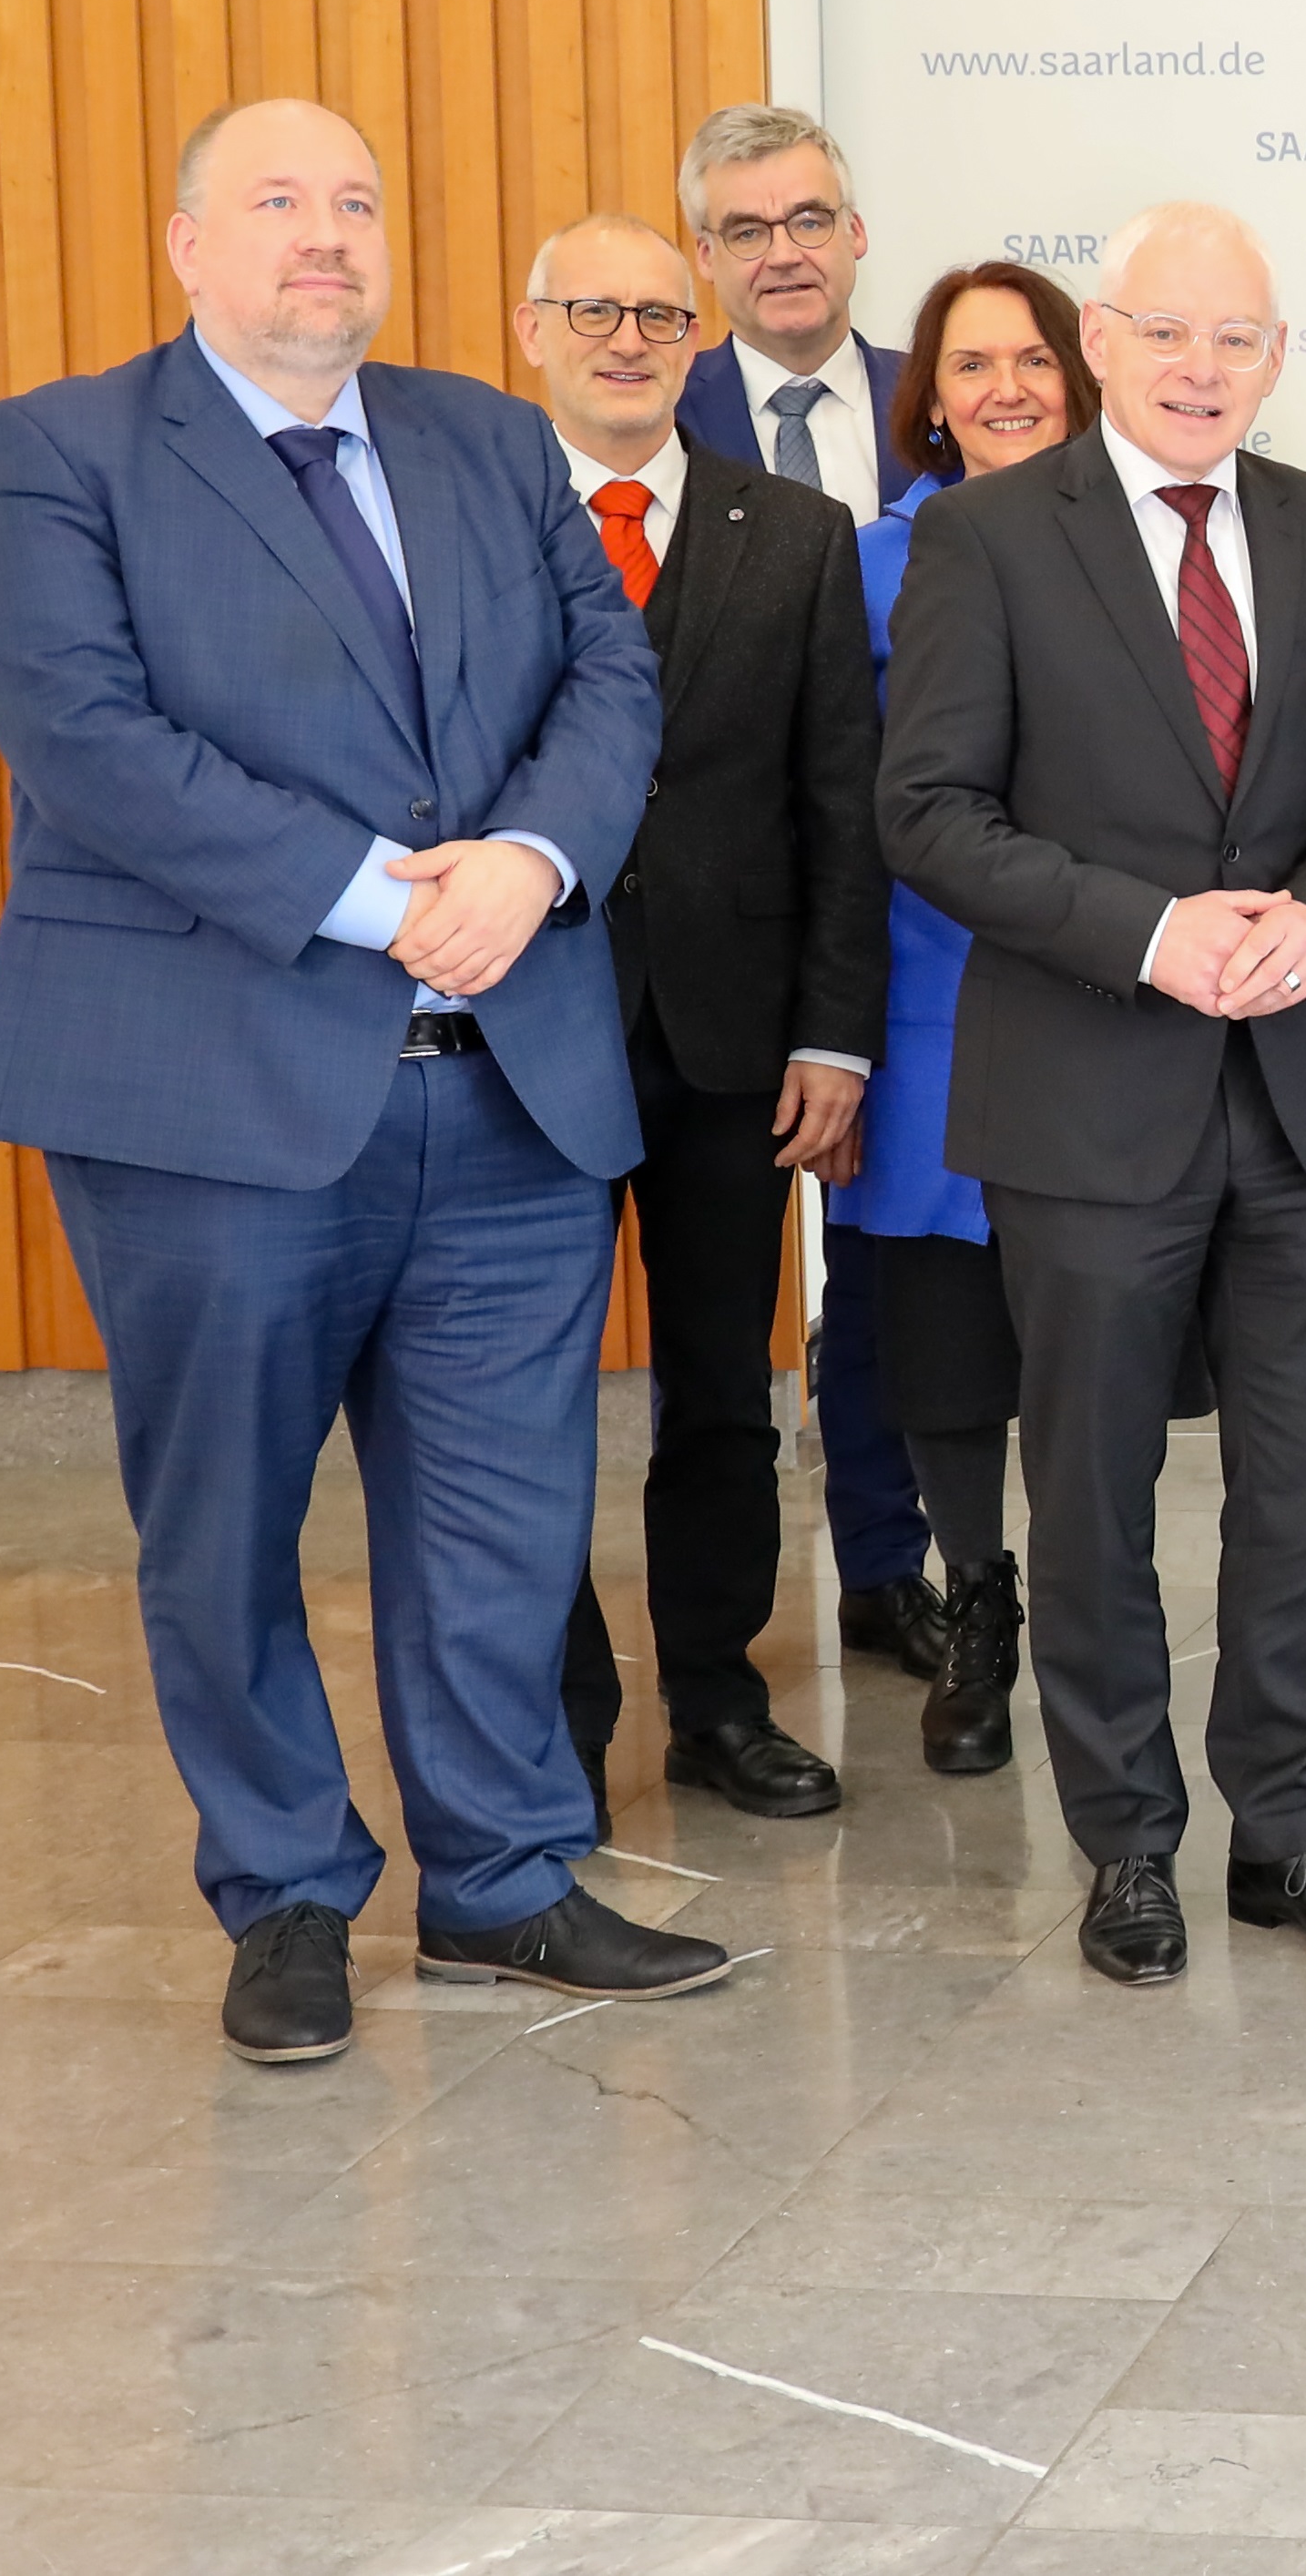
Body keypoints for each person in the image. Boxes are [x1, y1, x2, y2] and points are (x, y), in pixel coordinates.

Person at [0, 97, 732, 2063]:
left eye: (360, 202)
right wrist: (392, 894)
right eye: (281, 203)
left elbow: (604, 679)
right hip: (211, 1097)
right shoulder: (61, 452)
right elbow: (85, 733)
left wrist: (533, 862)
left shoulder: (486, 435)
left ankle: (502, 1878)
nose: (328, 235)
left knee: (500, 1516)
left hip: (509, 1089)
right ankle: (288, 1888)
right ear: (186, 243)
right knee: (221, 1524)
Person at [880, 198, 1306, 1987]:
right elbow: (932, 813)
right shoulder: (984, 537)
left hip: (1294, 1087)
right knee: (1094, 1483)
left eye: (1239, 339)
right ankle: (1127, 1843)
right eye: (1167, 333)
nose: (1202, 368)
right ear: (1099, 344)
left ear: (1274, 361)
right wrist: (1149, 936)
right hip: (1083, 1089)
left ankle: (1290, 1832)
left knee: (1301, 1491)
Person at [515, 216, 888, 1831]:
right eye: (590, 309)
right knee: (515, 1394)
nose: (625, 336)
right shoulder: (476, 518)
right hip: (521, 1031)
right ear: (532, 330)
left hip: (735, 1043)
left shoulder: (791, 532)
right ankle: (555, 1712)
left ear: (699, 332)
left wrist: (836, 1035)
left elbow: (840, 807)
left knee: (723, 1393)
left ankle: (720, 1696)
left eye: (657, 311)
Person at [823, 260, 1102, 1776]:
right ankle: (974, 1601)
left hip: (1109, 1003)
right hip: (929, 995)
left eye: (1032, 358)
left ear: (1078, 372)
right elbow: (841, 810)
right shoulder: (865, 564)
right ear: (923, 397)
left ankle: (1080, 1608)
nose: (1006, 387)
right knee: (938, 1342)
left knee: (1084, 1336)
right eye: (970, 363)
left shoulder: (1147, 542)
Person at [674, 100, 941, 1686]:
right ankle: (758, 1614)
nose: (783, 252)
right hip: (729, 911)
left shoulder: (951, 396)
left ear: (855, 233)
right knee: (751, 1286)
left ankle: (898, 1563)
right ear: (706, 256)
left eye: (809, 219)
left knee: (902, 1255)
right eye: (745, 229)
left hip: (933, 899)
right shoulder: (657, 399)